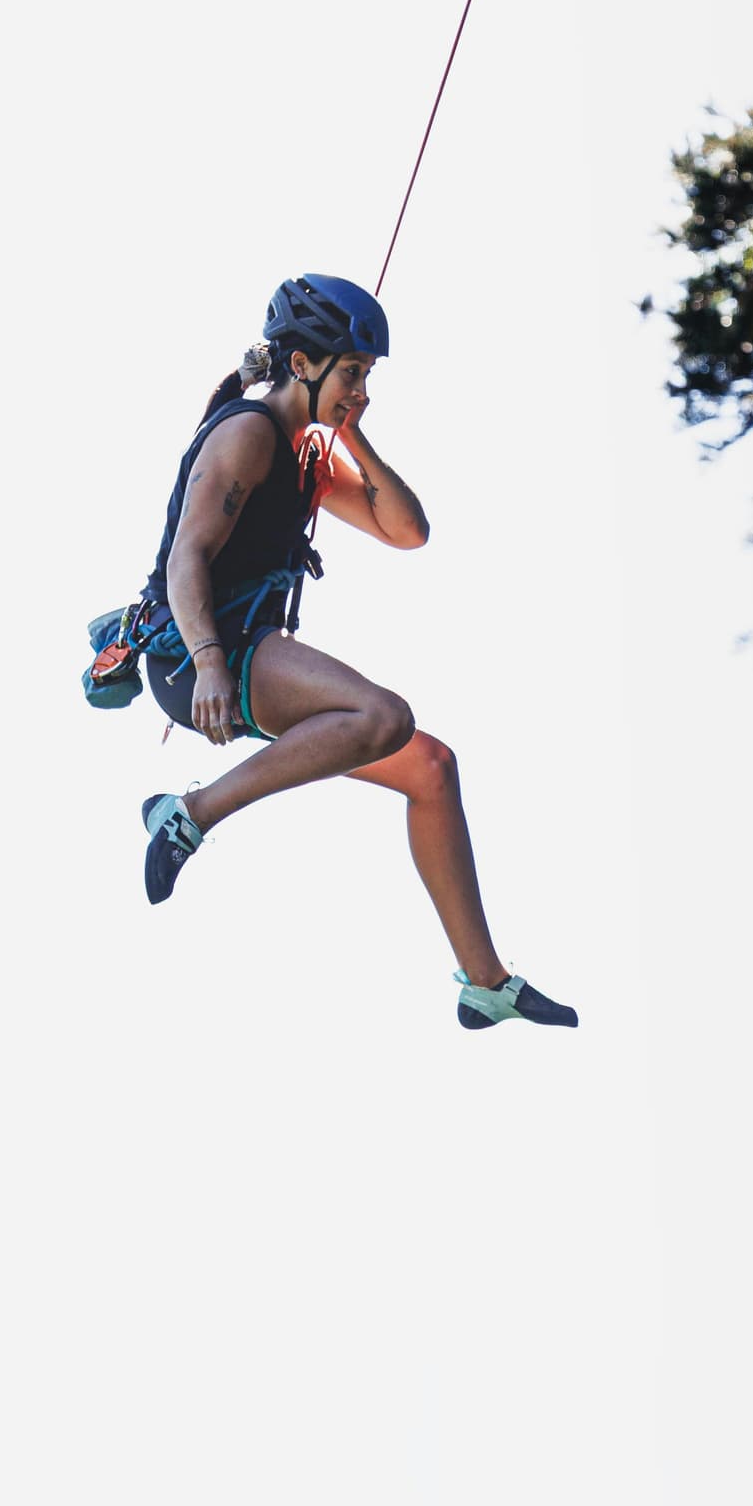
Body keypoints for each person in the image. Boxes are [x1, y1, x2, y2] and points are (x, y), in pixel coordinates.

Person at [131, 274, 577, 1031]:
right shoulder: (247, 433)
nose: (361, 388)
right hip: (196, 653)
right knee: (382, 715)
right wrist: (208, 660)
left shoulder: (305, 453)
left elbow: (408, 531)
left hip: (246, 658)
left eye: (367, 376)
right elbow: (186, 558)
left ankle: (485, 983)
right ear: (301, 363)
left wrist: (351, 433)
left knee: (430, 768)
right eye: (353, 372)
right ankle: (189, 814)